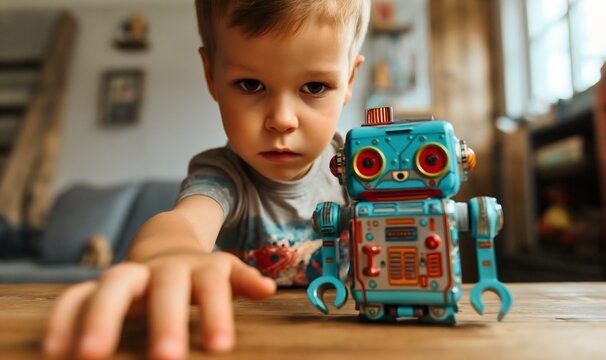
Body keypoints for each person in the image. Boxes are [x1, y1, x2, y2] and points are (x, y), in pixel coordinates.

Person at [43, 0, 370, 358]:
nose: (282, 119)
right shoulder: (224, 175)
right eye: (250, 84)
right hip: (250, 338)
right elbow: (183, 223)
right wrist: (168, 253)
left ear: (349, 80)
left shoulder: (364, 164)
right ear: (211, 75)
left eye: (314, 87)